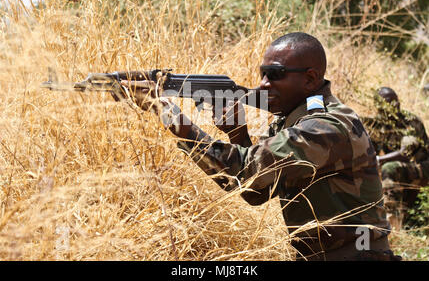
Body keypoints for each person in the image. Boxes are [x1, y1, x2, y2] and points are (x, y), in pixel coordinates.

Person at [118, 32, 397, 261]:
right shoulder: (296, 119)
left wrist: (170, 115)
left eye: (275, 74)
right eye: (263, 74)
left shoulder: (326, 127)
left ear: (310, 79)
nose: (263, 85)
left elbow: (246, 169)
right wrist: (239, 136)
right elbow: (253, 190)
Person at [362, 87, 429, 229]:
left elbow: (406, 153)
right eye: (389, 102)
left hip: (423, 167)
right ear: (379, 106)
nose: (395, 105)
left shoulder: (410, 121)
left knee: (389, 168)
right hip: (405, 170)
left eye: (396, 101)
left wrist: (379, 160)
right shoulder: (380, 126)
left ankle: (393, 224)